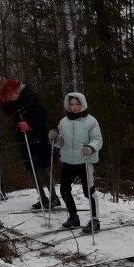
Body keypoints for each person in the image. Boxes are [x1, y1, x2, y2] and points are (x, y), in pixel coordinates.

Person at [0, 78, 58, 209]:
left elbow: (42, 116)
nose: (10, 98)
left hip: (39, 138)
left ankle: (54, 197)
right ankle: (43, 198)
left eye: (11, 96)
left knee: (42, 168)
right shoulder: (16, 99)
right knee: (31, 168)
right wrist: (2, 104)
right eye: (8, 97)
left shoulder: (30, 97)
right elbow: (13, 114)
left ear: (17, 89)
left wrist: (30, 125)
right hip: (25, 139)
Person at [48, 93, 103, 233]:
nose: (75, 107)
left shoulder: (91, 121)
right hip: (68, 161)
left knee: (88, 191)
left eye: (77, 104)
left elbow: (98, 140)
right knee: (64, 189)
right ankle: (73, 217)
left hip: (85, 161)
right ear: (68, 105)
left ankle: (95, 220)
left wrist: (90, 148)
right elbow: (61, 143)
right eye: (72, 104)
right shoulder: (63, 122)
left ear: (82, 104)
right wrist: (54, 138)